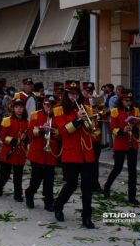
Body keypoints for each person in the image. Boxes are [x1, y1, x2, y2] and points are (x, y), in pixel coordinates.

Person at [52, 80, 96, 229]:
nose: (74, 97)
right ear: (66, 95)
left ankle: (87, 217)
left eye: (76, 94)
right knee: (71, 184)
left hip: (87, 152)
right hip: (71, 153)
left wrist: (88, 121)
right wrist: (77, 119)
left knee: (87, 186)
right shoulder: (59, 110)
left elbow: (92, 129)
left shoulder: (86, 108)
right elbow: (63, 132)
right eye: (71, 94)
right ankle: (58, 206)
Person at [103, 89, 140, 205]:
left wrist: (136, 125)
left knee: (132, 171)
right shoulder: (115, 111)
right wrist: (122, 130)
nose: (128, 103)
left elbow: (138, 127)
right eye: (126, 100)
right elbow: (113, 129)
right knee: (117, 168)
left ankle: (132, 196)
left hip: (132, 144)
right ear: (121, 100)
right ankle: (107, 187)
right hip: (120, 144)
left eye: (130, 100)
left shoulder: (135, 110)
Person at [25, 95, 59, 211]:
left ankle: (48, 201)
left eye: (52, 105)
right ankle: (30, 193)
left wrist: (53, 131)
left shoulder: (58, 116)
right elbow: (30, 132)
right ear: (43, 105)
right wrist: (40, 129)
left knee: (49, 179)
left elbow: (61, 133)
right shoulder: (35, 115)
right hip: (37, 152)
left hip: (51, 152)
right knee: (37, 178)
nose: (49, 108)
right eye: (47, 105)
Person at [0, 95, 29, 202]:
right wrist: (14, 140)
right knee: (4, 176)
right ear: (13, 108)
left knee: (18, 176)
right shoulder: (7, 120)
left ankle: (18, 194)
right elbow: (2, 136)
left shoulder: (26, 122)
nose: (19, 109)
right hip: (8, 153)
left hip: (20, 153)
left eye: (21, 107)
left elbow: (28, 138)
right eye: (17, 107)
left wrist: (26, 138)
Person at [81, 82, 103, 192]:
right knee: (85, 162)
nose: (89, 93)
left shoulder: (96, 99)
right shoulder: (79, 101)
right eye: (87, 91)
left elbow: (104, 112)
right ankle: (86, 183)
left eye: (91, 91)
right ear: (83, 91)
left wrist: (96, 103)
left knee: (95, 162)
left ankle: (95, 183)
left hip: (95, 136)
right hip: (85, 136)